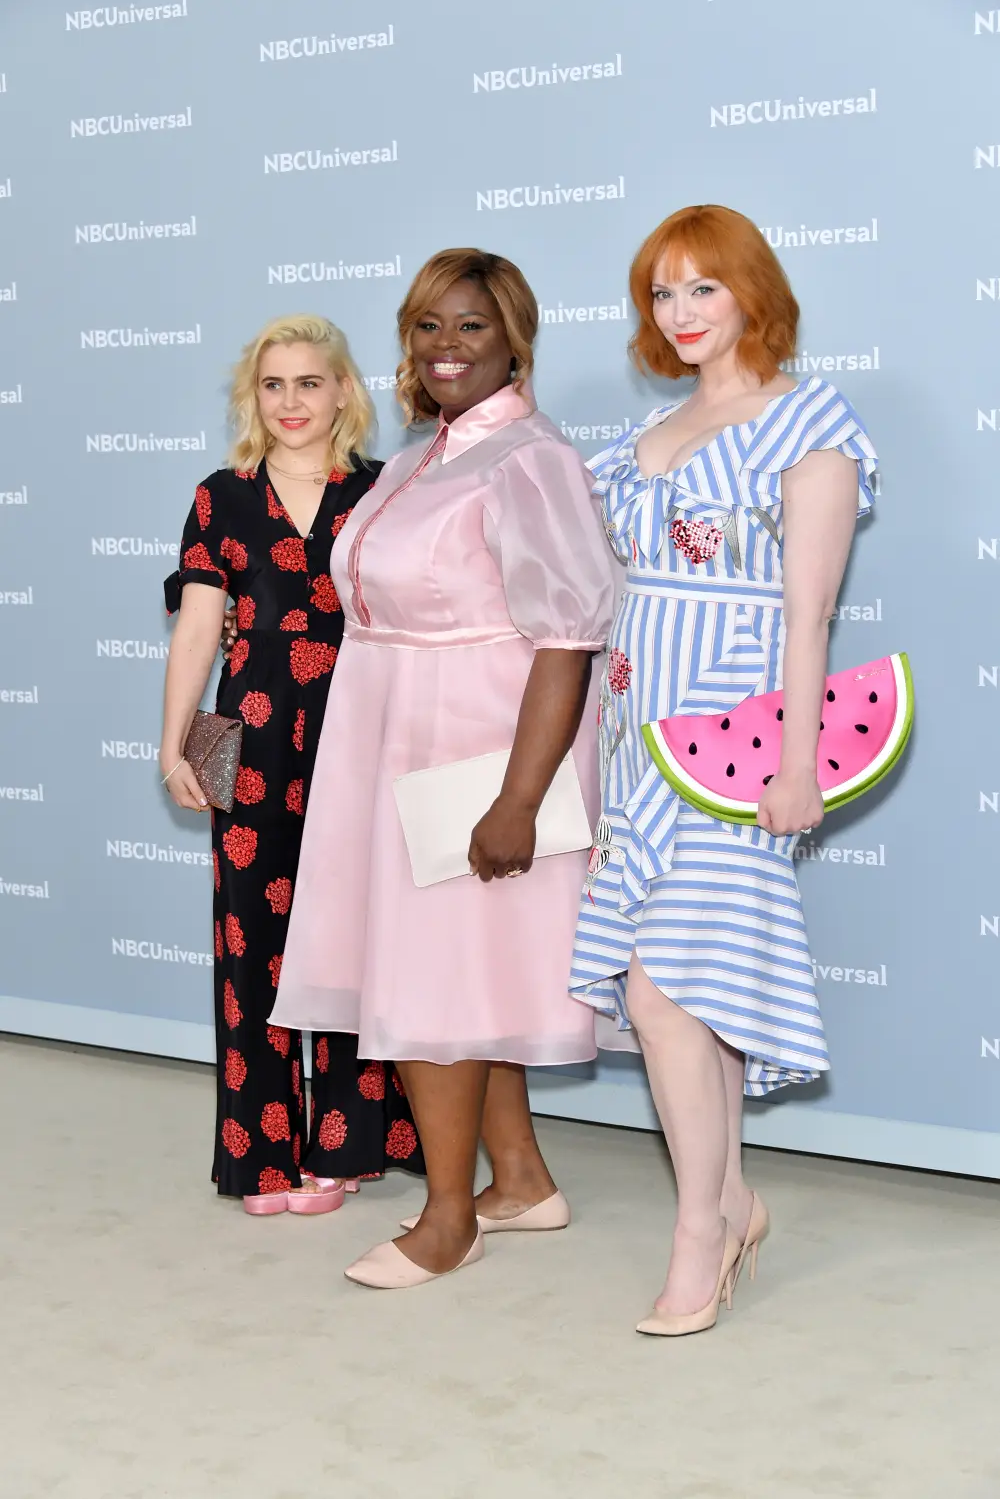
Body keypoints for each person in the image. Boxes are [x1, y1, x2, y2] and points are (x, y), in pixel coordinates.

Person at [268, 250, 616, 1286]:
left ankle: (448, 1216)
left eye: (470, 326)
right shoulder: (431, 451)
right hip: (391, 735)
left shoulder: (527, 456)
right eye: (427, 326)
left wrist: (518, 798)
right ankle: (520, 1181)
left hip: (471, 745)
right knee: (459, 973)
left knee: (435, 977)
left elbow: (567, 636)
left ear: (516, 338)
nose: (445, 346)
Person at [570, 205, 878, 1335]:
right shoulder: (644, 434)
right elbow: (608, 613)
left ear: (752, 291)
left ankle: (699, 1229)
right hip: (635, 737)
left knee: (664, 991)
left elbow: (809, 618)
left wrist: (795, 765)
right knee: (676, 995)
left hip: (741, 749)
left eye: (703, 288)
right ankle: (732, 1200)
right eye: (661, 292)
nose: (681, 313)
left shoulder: (811, 423)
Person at [160, 314, 423, 1214]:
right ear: (253, 397)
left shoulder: (387, 493)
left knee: (353, 939)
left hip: (363, 734)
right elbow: (201, 627)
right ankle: (258, 1154)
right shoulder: (220, 496)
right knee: (248, 944)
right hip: (246, 735)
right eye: (273, 385)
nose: (291, 401)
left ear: (345, 391)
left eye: (310, 382)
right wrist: (176, 745)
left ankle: (346, 1143)